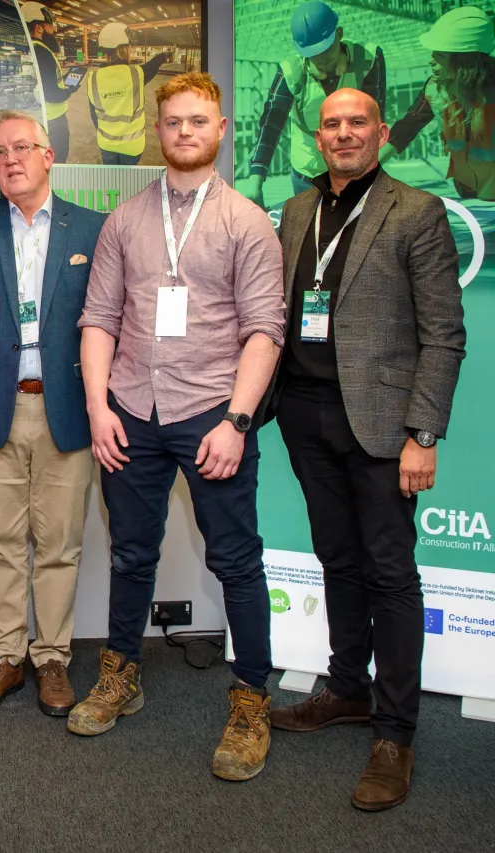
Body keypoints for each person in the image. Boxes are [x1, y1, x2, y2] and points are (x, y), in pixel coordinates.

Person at [72, 72, 285, 782]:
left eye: (198, 120)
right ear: (156, 131)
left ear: (221, 129)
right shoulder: (124, 220)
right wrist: (100, 406)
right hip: (132, 411)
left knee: (236, 561)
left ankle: (252, 699)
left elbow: (265, 332)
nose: (185, 131)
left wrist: (236, 420)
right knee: (132, 554)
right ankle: (120, 674)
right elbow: (99, 320)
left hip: (211, 416)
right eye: (173, 121)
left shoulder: (247, 221)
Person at [266, 88, 466, 812]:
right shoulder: (296, 211)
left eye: (358, 123)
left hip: (382, 425)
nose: (344, 133)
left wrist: (423, 434)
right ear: (316, 136)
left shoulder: (416, 211)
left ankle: (395, 731)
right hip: (306, 413)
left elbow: (445, 333)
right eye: (331, 124)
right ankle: (347, 687)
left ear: (381, 132)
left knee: (389, 570)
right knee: (336, 557)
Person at [0, 109, 103, 719]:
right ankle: (5, 656)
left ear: (48, 155)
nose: (10, 159)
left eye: (22, 148)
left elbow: (109, 324)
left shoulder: (92, 229)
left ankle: (53, 658)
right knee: (1, 542)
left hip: (67, 408)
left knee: (60, 543)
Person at [243, 1, 385, 205]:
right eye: (312, 54)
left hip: (356, 169)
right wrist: (255, 181)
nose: (321, 59)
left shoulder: (368, 59)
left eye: (326, 49)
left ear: (339, 34)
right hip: (309, 174)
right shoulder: (290, 73)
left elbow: (376, 117)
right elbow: (270, 125)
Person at [383, 6, 495, 200]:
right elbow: (407, 127)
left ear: (465, 63)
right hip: (468, 188)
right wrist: (366, 172)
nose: (431, 61)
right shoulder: (436, 89)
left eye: (440, 56)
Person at [84, 23, 170, 165]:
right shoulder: (137, 73)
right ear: (122, 48)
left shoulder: (93, 78)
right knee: (127, 183)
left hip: (106, 144)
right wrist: (163, 56)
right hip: (132, 146)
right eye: (129, 46)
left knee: (111, 183)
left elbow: (94, 114)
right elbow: (153, 65)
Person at [21, 2, 76, 163]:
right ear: (39, 28)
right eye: (50, 25)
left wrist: (63, 81)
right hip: (53, 119)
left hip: (38, 116)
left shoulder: (32, 49)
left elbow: (46, 82)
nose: (54, 30)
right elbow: (51, 94)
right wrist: (69, 90)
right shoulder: (43, 52)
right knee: (57, 159)